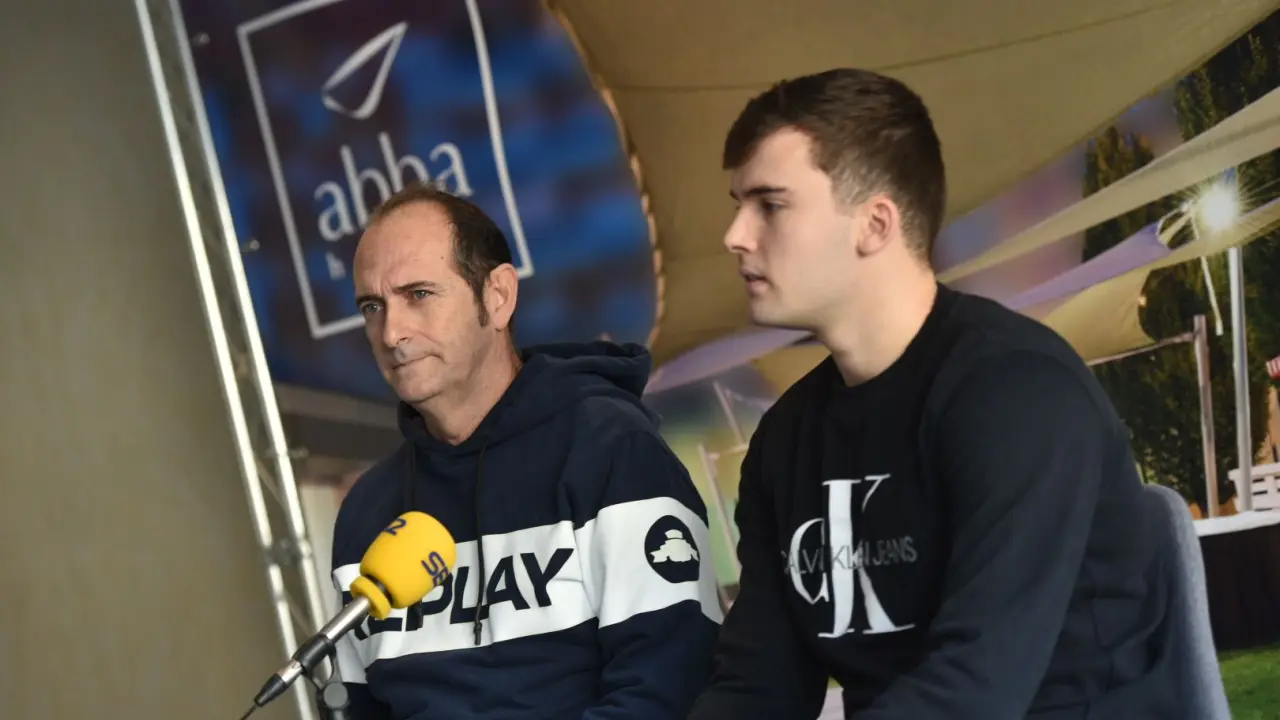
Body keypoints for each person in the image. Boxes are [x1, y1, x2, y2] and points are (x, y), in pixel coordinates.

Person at [688, 69, 1177, 719]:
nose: (736, 235)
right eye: (738, 204)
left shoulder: (1018, 393)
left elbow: (974, 691)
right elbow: (758, 686)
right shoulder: (786, 440)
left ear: (875, 224)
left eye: (770, 205)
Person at [330, 183, 721, 719]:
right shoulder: (366, 512)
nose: (392, 331)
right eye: (373, 306)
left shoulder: (610, 449)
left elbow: (667, 689)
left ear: (498, 296)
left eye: (418, 294)